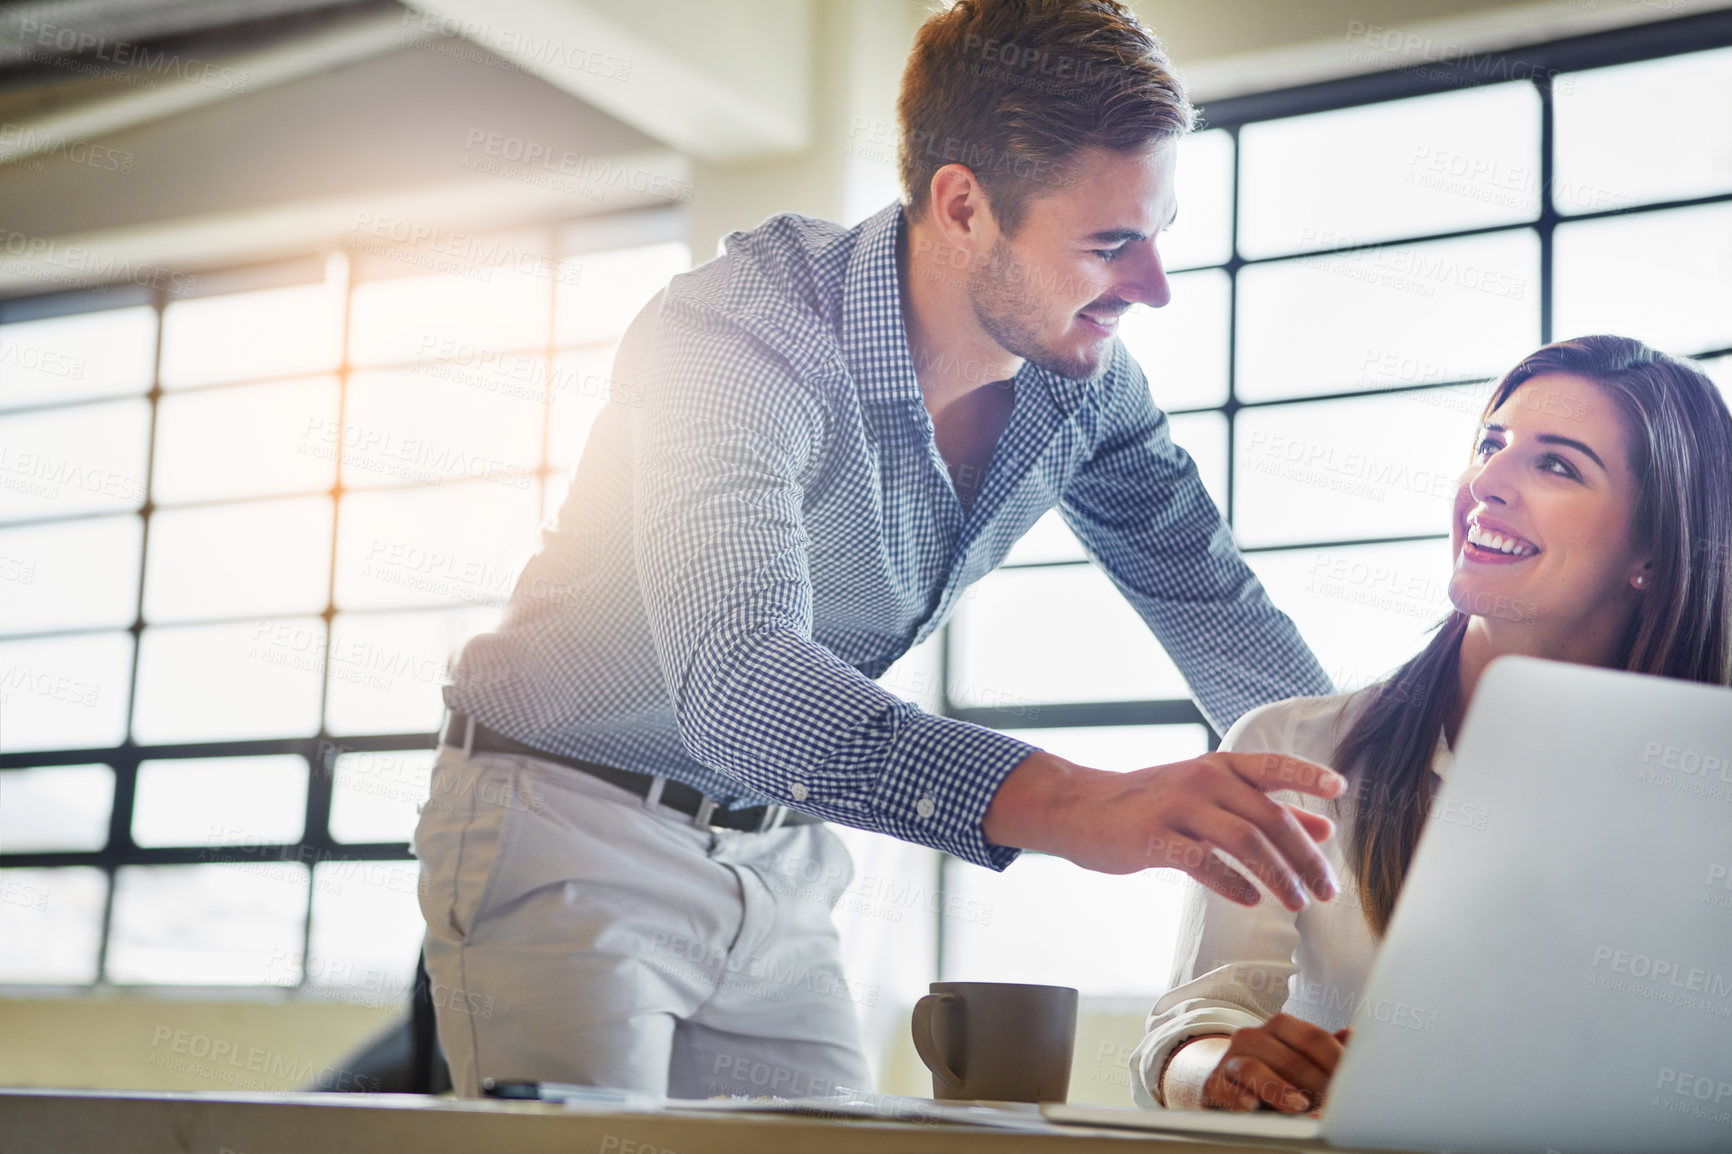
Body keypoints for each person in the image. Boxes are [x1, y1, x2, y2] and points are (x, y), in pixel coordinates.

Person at [413, 0, 1348, 1100]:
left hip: (782, 852)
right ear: (961, 205)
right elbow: (741, 683)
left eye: (1159, 233)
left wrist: (1385, 796)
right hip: (568, 817)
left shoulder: (1085, 389)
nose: (1152, 288)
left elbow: (1222, 619)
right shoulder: (734, 336)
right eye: (1110, 244)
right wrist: (1081, 804)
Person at [1131, 335, 1732, 1114]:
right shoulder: (1293, 750)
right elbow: (1194, 1021)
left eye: (1556, 465)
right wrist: (1214, 1068)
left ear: (1650, 549)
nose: (1487, 482)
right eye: (1491, 444)